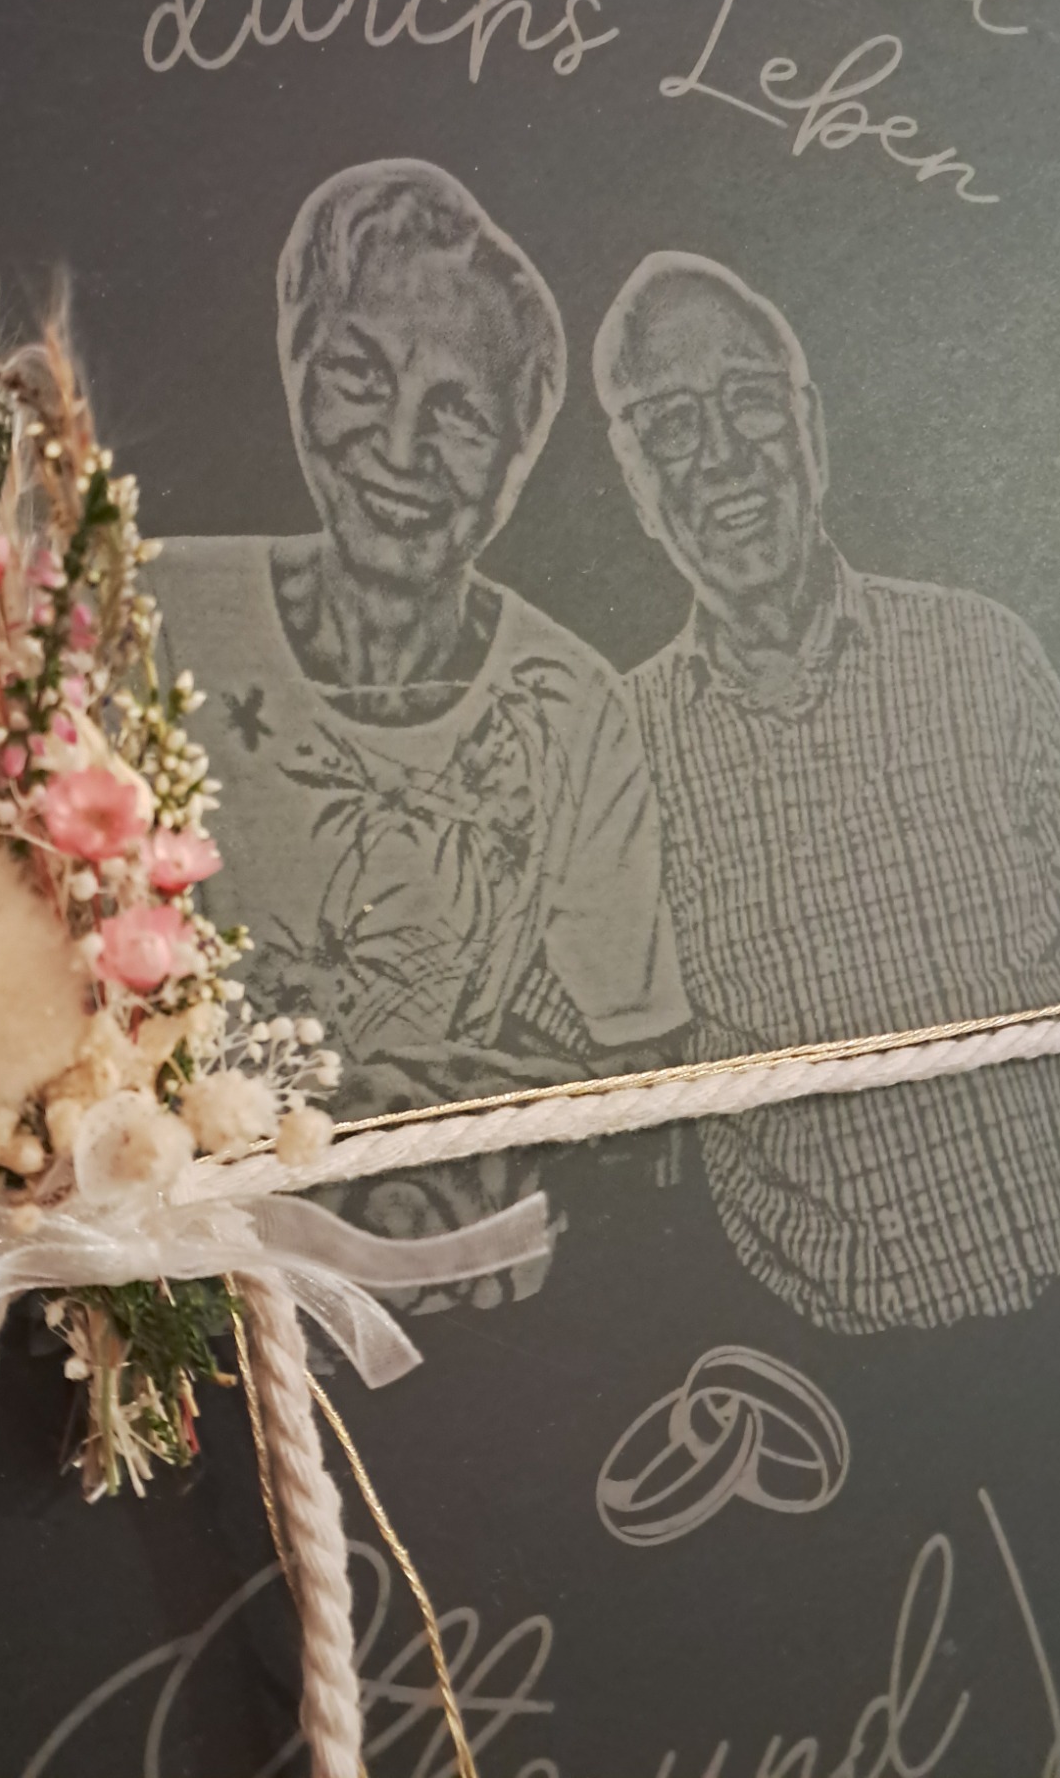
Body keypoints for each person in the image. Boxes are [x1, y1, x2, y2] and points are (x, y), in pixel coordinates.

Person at [593, 249, 1060, 1335]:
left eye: (750, 401)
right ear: (635, 486)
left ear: (810, 428)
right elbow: (610, 1081)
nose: (723, 455)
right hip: (847, 1363)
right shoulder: (608, 758)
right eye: (671, 427)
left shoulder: (983, 651)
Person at [155, 159, 688, 1131]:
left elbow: (644, 1064)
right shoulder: (152, 612)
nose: (402, 449)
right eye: (362, 375)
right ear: (297, 367)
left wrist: (450, 1103)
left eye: (460, 412)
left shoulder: (570, 704)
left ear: (520, 453)